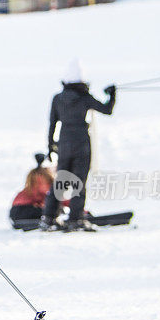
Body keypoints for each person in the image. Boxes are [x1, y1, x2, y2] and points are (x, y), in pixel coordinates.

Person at [40, 59, 116, 232]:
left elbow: (52, 123)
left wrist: (50, 146)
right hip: (81, 143)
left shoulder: (58, 99)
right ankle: (76, 218)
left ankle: (49, 217)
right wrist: (112, 95)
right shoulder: (84, 98)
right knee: (78, 182)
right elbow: (107, 110)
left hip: (64, 143)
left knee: (61, 180)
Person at [9, 153, 57, 226]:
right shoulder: (41, 176)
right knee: (52, 211)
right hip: (24, 210)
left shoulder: (34, 175)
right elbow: (48, 194)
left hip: (15, 213)